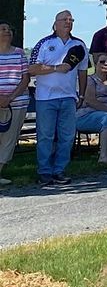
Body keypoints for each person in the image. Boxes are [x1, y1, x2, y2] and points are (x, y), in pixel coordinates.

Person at [28, 11, 89, 186]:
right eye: (64, 20)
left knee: (67, 136)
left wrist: (82, 94)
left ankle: (59, 170)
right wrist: (56, 68)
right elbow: (32, 69)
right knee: (45, 135)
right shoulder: (44, 43)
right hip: (46, 98)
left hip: (69, 97)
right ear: (55, 23)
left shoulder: (79, 45)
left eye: (71, 20)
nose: (68, 23)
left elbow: (83, 72)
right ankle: (44, 172)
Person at [0, 22, 31, 186]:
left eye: (9, 29)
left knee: (9, 139)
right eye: (3, 29)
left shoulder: (19, 53)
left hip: (17, 102)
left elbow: (25, 79)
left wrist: (10, 98)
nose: (7, 32)